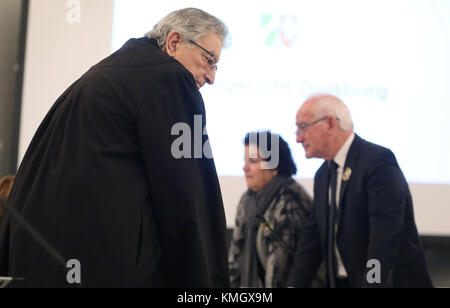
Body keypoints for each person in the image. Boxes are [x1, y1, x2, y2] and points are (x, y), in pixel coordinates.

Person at [0, 8, 230, 287]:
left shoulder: (101, 75)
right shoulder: (169, 79)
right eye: (209, 60)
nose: (211, 77)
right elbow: (185, 193)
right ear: (174, 42)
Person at [288, 94, 433, 288]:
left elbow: (384, 237)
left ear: (330, 123)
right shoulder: (323, 175)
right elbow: (312, 240)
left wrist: (373, 285)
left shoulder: (377, 161)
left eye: (303, 126)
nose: (298, 138)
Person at [228, 131, 315, 288]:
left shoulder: (291, 199)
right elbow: (234, 260)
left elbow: (280, 270)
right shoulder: (247, 200)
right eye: (244, 161)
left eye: (253, 161)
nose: (244, 167)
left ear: (274, 166)